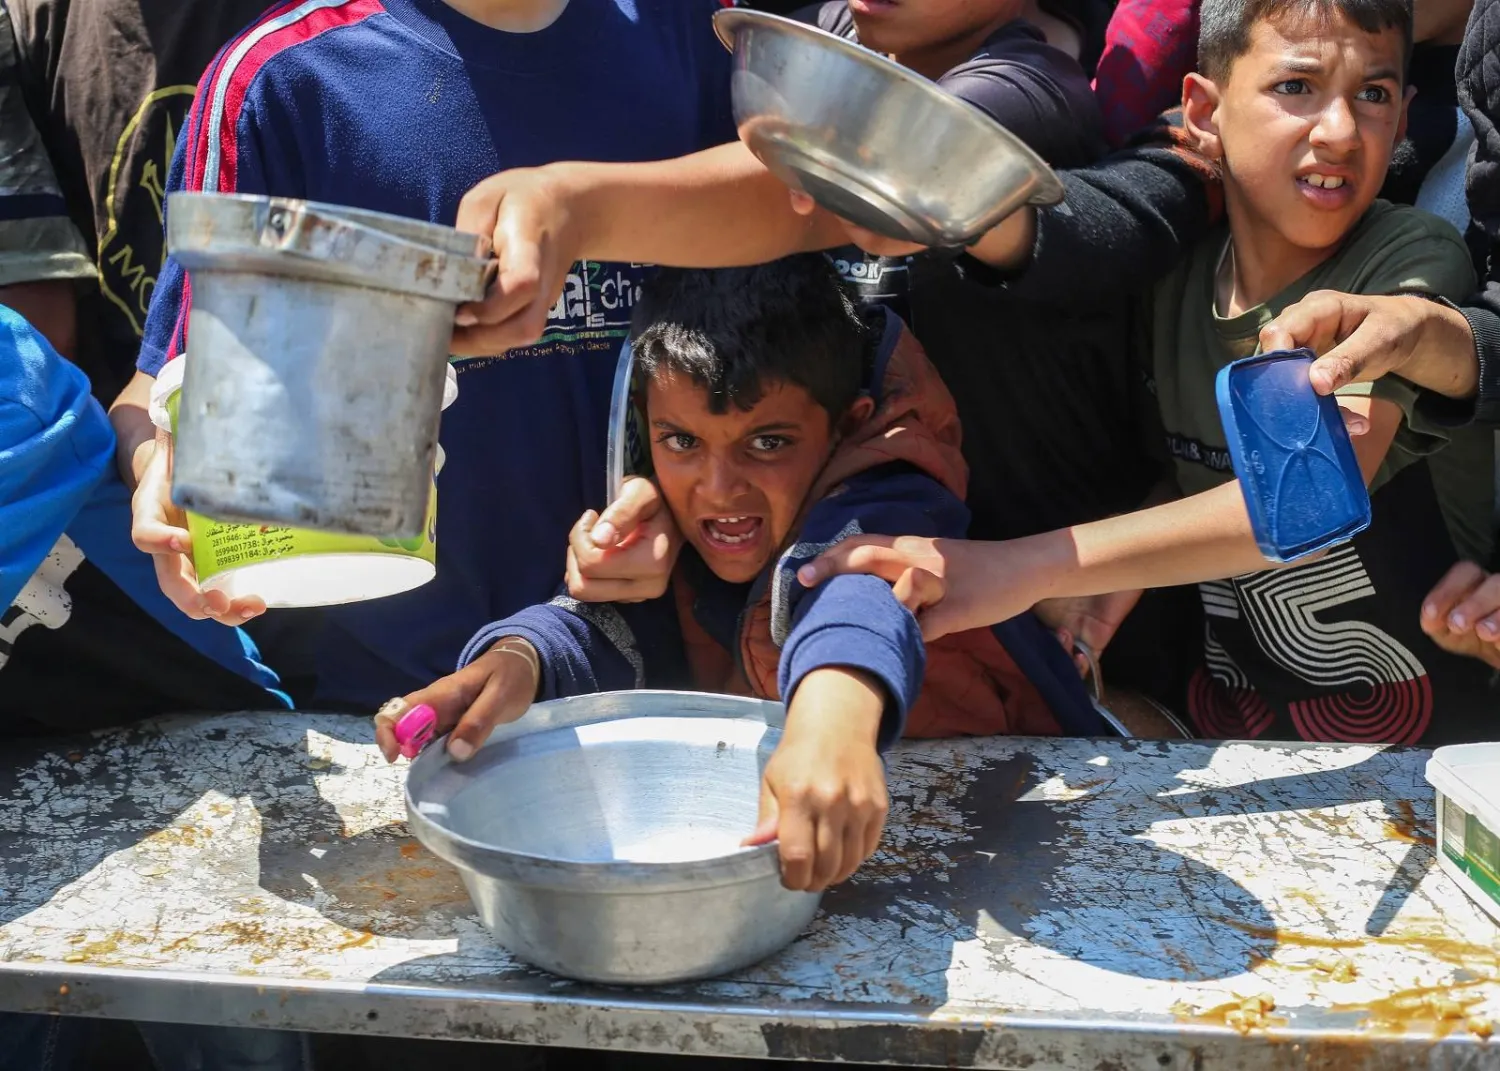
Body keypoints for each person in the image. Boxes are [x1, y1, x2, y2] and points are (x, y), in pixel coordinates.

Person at [800, 0, 1500, 746]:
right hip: (1228, 745)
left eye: (1373, 94)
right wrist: (1109, 572)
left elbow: (1304, 503)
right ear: (1202, 110)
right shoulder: (1177, 278)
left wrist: (1018, 569)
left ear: (1404, 118)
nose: (1338, 131)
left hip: (1425, 764)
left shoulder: (1404, 263)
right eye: (1296, 88)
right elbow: (1207, 454)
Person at [375, 255, 1101, 890]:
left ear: (847, 425)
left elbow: (855, 594)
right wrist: (517, 662)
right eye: (683, 440)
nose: (719, 489)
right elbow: (617, 628)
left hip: (1027, 832)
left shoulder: (895, 495)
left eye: (768, 441)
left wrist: (833, 727)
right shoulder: (662, 522)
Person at [119, 0, 737, 710]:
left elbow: (779, 358)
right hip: (384, 703)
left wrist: (684, 492)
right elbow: (162, 391)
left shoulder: (704, 35)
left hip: (661, 684)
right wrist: (157, 477)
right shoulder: (281, 78)